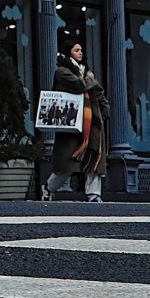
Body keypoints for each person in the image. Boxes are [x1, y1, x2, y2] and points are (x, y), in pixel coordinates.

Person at [44, 43, 110, 201]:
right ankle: (48, 188)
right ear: (69, 53)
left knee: (94, 157)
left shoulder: (86, 72)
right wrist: (90, 80)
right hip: (73, 122)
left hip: (92, 121)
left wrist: (105, 107)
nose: (80, 53)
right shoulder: (62, 72)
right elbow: (80, 85)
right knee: (68, 160)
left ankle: (94, 194)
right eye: (76, 50)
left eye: (81, 50)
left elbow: (97, 91)